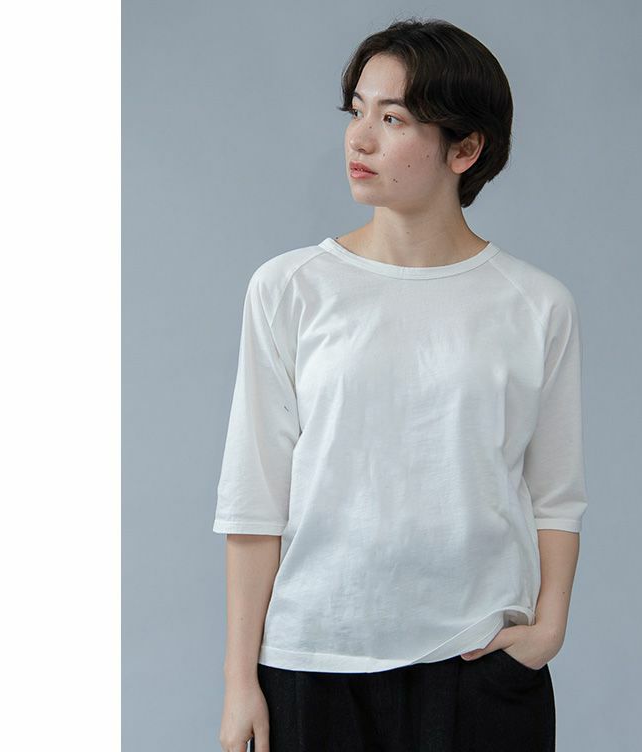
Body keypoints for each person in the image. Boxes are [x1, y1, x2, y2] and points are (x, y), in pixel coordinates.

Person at [215, 17, 588, 752]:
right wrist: (239, 681)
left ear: (465, 148)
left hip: (478, 662)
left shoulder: (536, 304)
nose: (359, 139)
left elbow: (556, 493)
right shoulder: (291, 288)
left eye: (393, 119)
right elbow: (255, 497)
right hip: (313, 659)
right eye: (357, 111)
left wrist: (549, 628)